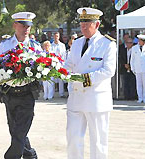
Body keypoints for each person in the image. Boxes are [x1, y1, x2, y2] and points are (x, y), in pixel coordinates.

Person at [64, 7, 116, 159]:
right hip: (76, 98)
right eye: (82, 23)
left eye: (87, 23)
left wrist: (82, 80)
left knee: (99, 142)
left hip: (96, 99)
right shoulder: (77, 43)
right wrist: (54, 70)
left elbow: (108, 71)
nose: (83, 26)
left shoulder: (107, 44)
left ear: (97, 25)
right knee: (73, 138)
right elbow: (69, 64)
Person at [0, 12, 42, 159]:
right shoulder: (5, 45)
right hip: (9, 94)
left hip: (27, 94)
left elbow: (43, 67)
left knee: (20, 131)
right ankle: (30, 155)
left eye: (28, 26)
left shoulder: (35, 46)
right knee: (15, 131)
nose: (26, 29)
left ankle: (11, 157)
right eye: (23, 25)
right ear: (15, 25)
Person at [130, 34, 145, 103]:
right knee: (138, 84)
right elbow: (132, 59)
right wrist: (133, 68)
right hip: (138, 68)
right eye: (141, 40)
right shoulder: (134, 48)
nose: (142, 42)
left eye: (144, 41)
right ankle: (140, 98)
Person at [51, 32, 66, 98]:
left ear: (59, 37)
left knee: (60, 79)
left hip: (60, 63)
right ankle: (52, 94)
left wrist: (62, 62)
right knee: (53, 79)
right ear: (53, 37)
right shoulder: (51, 45)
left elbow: (64, 55)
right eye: (55, 36)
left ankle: (61, 93)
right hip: (53, 63)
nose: (56, 37)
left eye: (57, 36)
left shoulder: (62, 45)